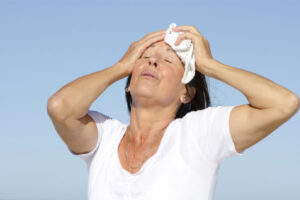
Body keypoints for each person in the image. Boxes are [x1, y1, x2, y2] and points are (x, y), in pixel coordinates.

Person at [47, 25, 300, 200]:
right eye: (144, 57)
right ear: (128, 82)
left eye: (168, 60)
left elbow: (283, 103)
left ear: (186, 93)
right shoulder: (104, 138)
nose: (152, 61)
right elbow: (60, 107)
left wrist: (210, 65)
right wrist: (120, 66)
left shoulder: (198, 134)